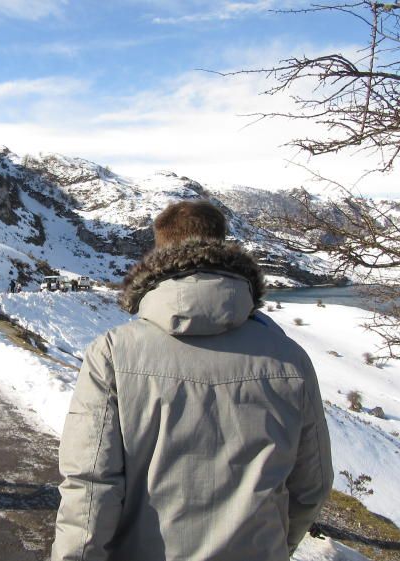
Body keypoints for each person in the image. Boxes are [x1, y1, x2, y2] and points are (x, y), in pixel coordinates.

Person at [51, 200, 333, 561]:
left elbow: (90, 486)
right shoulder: (289, 358)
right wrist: (277, 545)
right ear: (222, 244)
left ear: (159, 248)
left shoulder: (113, 352)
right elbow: (312, 485)